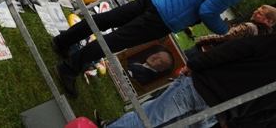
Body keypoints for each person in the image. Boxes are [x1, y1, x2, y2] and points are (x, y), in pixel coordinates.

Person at [53, 0, 276, 97]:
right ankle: (70, 67)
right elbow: (208, 11)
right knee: (114, 40)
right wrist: (224, 29)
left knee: (107, 19)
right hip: (167, 15)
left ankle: (63, 41)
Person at [103, 33, 276, 127]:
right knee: (148, 117)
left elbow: (231, 50)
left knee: (145, 119)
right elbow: (268, 114)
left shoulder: (270, 42)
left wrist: (194, 64)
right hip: (218, 109)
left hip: (204, 92)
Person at [184, 4, 276, 61]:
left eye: (260, 13)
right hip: (217, 58)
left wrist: (202, 40)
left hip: (206, 50)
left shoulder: (249, 27)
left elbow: (225, 37)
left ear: (269, 21)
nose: (255, 12)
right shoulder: (262, 37)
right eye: (257, 10)